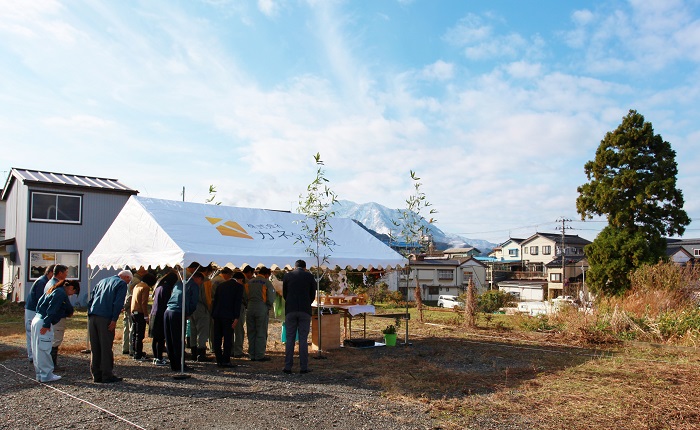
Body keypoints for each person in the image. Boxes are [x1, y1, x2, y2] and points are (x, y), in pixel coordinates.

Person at [31, 279, 79, 383]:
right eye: (73, 292)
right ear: (71, 287)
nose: (71, 295)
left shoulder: (53, 290)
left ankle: (40, 374)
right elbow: (52, 309)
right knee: (45, 349)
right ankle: (46, 375)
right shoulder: (60, 293)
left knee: (37, 350)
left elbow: (40, 304)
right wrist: (47, 323)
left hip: (37, 318)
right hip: (44, 322)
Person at [88, 270, 131, 383]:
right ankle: (106, 374)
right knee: (106, 346)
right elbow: (118, 302)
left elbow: (92, 298)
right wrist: (114, 319)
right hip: (105, 317)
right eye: (129, 280)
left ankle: (96, 374)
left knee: (95, 346)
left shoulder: (102, 281)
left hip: (93, 315)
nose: (128, 283)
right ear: (126, 277)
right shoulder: (121, 284)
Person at [283, 260, 316, 374]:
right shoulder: (310, 276)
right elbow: (313, 294)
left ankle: (288, 367)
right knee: (303, 339)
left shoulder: (287, 276)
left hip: (290, 310)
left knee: (290, 339)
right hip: (305, 310)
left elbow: (284, 293)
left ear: (294, 267)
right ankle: (303, 367)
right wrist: (307, 302)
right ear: (305, 267)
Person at [164, 270, 202, 372]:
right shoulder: (193, 285)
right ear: (196, 278)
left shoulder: (178, 283)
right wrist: (188, 313)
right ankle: (180, 365)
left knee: (169, 340)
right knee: (178, 340)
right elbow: (193, 302)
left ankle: (173, 364)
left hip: (168, 310)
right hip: (178, 312)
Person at [211, 271, 244, 368]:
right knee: (228, 338)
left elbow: (215, 300)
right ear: (240, 280)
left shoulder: (221, 285)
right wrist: (236, 317)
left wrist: (214, 313)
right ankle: (226, 360)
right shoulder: (239, 287)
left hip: (217, 314)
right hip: (229, 316)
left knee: (217, 338)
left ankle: (219, 360)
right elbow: (237, 303)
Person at [245, 266, 276, 361]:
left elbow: (244, 295)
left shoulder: (249, 282)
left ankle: (252, 354)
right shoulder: (267, 283)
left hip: (250, 308)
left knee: (251, 331)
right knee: (261, 332)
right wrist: (268, 306)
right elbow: (271, 296)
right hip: (261, 308)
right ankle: (259, 355)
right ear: (267, 274)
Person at [25, 265, 54, 363]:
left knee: (35, 333)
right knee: (31, 333)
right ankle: (32, 356)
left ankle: (35, 355)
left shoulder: (44, 281)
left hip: (34, 309)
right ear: (50, 272)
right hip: (33, 310)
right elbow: (40, 299)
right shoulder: (42, 282)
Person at [150, 270, 177, 366]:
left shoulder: (159, 286)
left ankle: (156, 357)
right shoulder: (166, 288)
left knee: (155, 337)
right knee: (161, 338)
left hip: (153, 313)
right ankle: (159, 358)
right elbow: (167, 303)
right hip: (161, 314)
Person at [130, 272, 157, 361]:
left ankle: (135, 352)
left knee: (134, 333)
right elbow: (144, 303)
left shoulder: (137, 285)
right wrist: (146, 315)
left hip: (133, 311)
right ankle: (139, 354)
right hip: (140, 312)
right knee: (140, 334)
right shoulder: (145, 287)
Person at [190, 266, 214, 362]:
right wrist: (209, 309)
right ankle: (201, 354)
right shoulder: (206, 281)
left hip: (191, 308)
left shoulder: (190, 280)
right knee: (202, 331)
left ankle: (193, 352)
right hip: (201, 308)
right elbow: (207, 297)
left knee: (193, 330)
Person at [123, 267, 147, 356]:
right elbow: (131, 296)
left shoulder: (132, 279)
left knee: (126, 327)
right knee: (132, 329)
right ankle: (132, 349)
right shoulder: (137, 282)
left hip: (128, 306)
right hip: (132, 307)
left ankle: (125, 348)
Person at [231, 265, 254, 358]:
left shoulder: (228, 283)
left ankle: (231, 349)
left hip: (229, 308)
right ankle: (238, 351)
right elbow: (245, 296)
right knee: (239, 329)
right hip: (240, 307)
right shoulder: (244, 282)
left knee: (231, 329)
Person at [208, 267, 233, 351]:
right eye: (229, 276)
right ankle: (217, 347)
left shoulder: (213, 279)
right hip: (219, 305)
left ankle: (212, 346)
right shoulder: (222, 282)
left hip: (211, 304)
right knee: (219, 328)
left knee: (213, 328)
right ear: (226, 274)